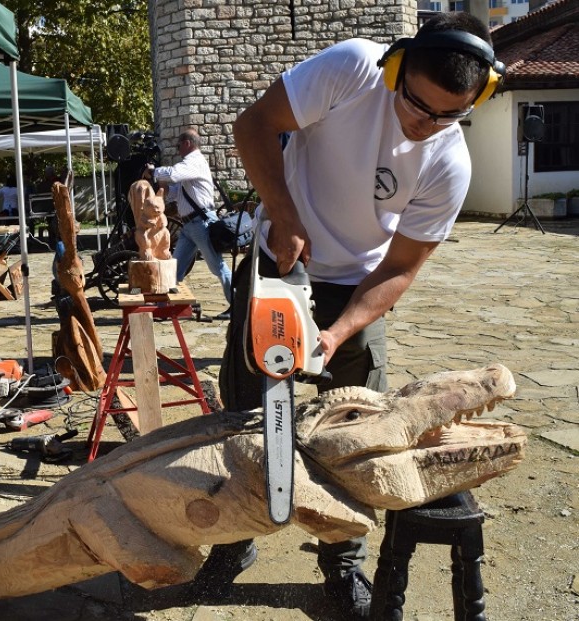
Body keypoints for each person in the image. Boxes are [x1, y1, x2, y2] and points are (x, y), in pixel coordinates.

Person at [199, 12, 505, 620]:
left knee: (357, 437)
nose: (426, 124)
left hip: (357, 286)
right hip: (278, 265)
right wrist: (284, 215)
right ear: (396, 67)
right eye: (417, 105)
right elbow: (254, 125)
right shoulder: (352, 68)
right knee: (242, 416)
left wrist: (340, 331)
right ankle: (232, 544)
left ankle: (342, 566)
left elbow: (398, 269)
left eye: (448, 114)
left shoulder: (450, 164)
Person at [145, 128, 233, 319]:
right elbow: (175, 191)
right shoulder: (190, 165)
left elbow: (174, 174)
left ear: (187, 143)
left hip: (201, 223)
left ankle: (238, 305)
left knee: (218, 267)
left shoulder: (194, 160)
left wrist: (154, 172)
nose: (178, 149)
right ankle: (163, 306)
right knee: (175, 267)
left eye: (178, 145)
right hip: (190, 226)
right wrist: (162, 186)